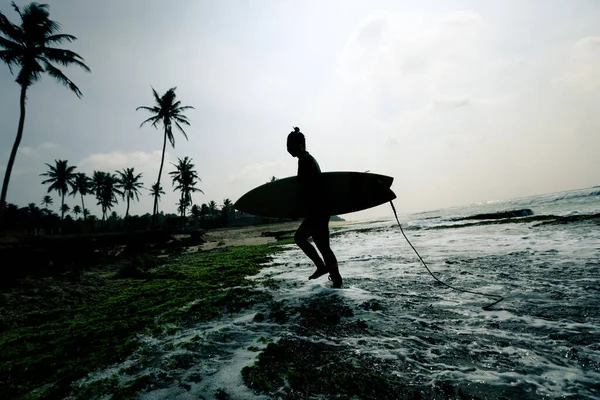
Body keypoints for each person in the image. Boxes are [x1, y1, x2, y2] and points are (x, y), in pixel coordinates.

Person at [286, 127, 342, 288]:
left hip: (317, 210)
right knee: (324, 247)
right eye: (287, 146)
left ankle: (321, 266)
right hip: (321, 209)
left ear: (301, 145)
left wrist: (296, 208)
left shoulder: (305, 160)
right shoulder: (308, 159)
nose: (289, 149)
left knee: (299, 238)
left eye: (291, 145)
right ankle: (337, 281)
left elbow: (307, 188)